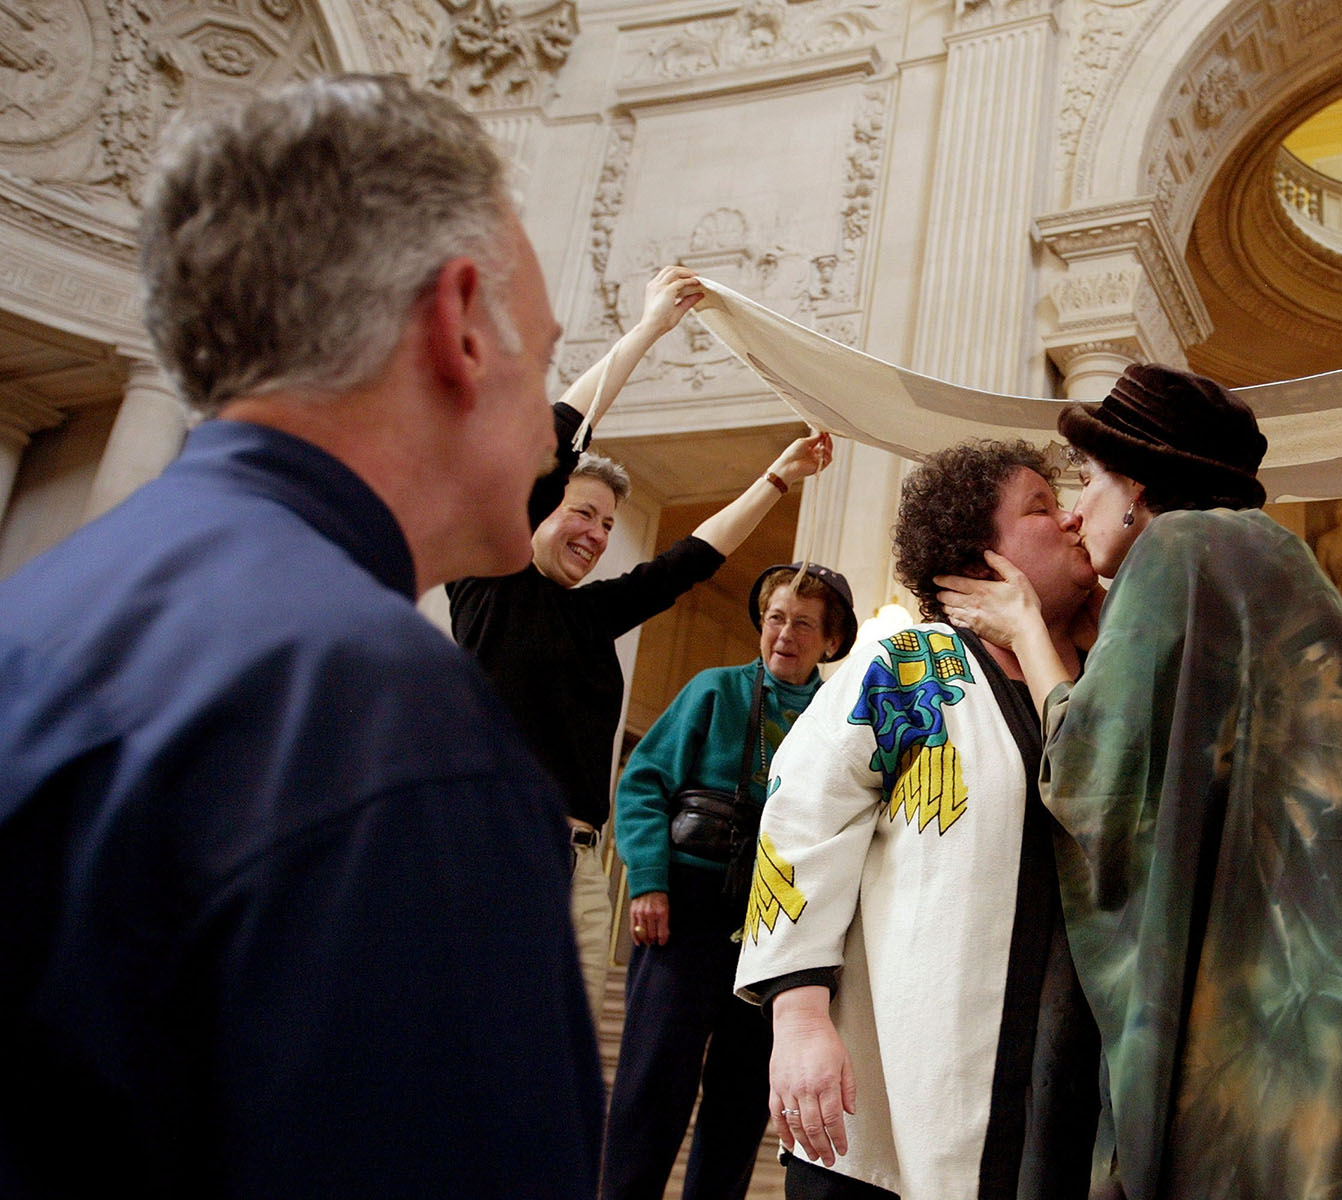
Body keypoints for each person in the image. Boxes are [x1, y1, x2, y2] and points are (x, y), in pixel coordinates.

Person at [0, 76, 603, 1195]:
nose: (550, 430)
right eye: (548, 356)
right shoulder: (386, 720)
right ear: (461, 325)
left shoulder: (35, 613)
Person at [937, 365, 1342, 1198]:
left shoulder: (1178, 548)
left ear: (1136, 485)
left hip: (1299, 1028)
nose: (1075, 512)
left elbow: (1094, 780)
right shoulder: (1271, 556)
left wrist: (1028, 633)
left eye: (1086, 481)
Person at [447, 289, 834, 1028]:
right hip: (493, 849)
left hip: (581, 870)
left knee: (554, 1075)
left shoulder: (592, 616)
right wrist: (652, 326)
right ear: (538, 508)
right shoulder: (487, 579)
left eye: (608, 523)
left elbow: (688, 562)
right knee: (466, 1048)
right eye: (580, 513)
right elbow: (560, 430)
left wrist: (777, 480)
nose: (595, 533)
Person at [734, 440, 1102, 1200]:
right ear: (979, 559)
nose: (1069, 517)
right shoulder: (912, 663)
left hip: (1062, 1105)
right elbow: (801, 817)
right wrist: (799, 1020)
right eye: (1039, 506)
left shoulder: (1101, 696)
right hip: (888, 1111)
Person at [605, 563, 856, 1200]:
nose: (784, 634)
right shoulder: (714, 691)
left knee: (741, 1103)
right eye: (776, 618)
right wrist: (649, 881)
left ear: (830, 641)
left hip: (776, 933)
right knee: (650, 1088)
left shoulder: (840, 716)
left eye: (804, 624)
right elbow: (643, 784)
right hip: (683, 916)